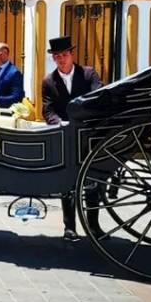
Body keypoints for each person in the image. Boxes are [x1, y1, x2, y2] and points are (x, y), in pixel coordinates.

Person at [41, 36, 103, 240]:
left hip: (88, 134)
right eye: (57, 56)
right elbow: (48, 109)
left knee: (93, 180)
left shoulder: (88, 74)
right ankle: (70, 227)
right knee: (66, 182)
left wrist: (85, 118)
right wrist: (58, 122)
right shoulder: (49, 81)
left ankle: (94, 227)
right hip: (65, 136)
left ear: (72, 54)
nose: (61, 59)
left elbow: (98, 97)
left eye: (64, 55)